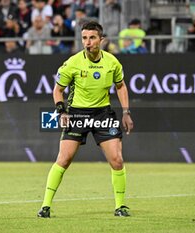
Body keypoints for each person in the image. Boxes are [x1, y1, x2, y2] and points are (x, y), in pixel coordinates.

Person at [37, 21, 133, 218]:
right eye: (84, 38)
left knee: (117, 160)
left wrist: (126, 112)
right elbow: (58, 90)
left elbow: (121, 86)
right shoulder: (73, 63)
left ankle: (120, 206)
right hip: (77, 114)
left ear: (101, 40)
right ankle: (45, 206)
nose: (88, 42)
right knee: (63, 159)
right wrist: (61, 111)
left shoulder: (112, 62)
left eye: (92, 38)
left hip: (103, 114)